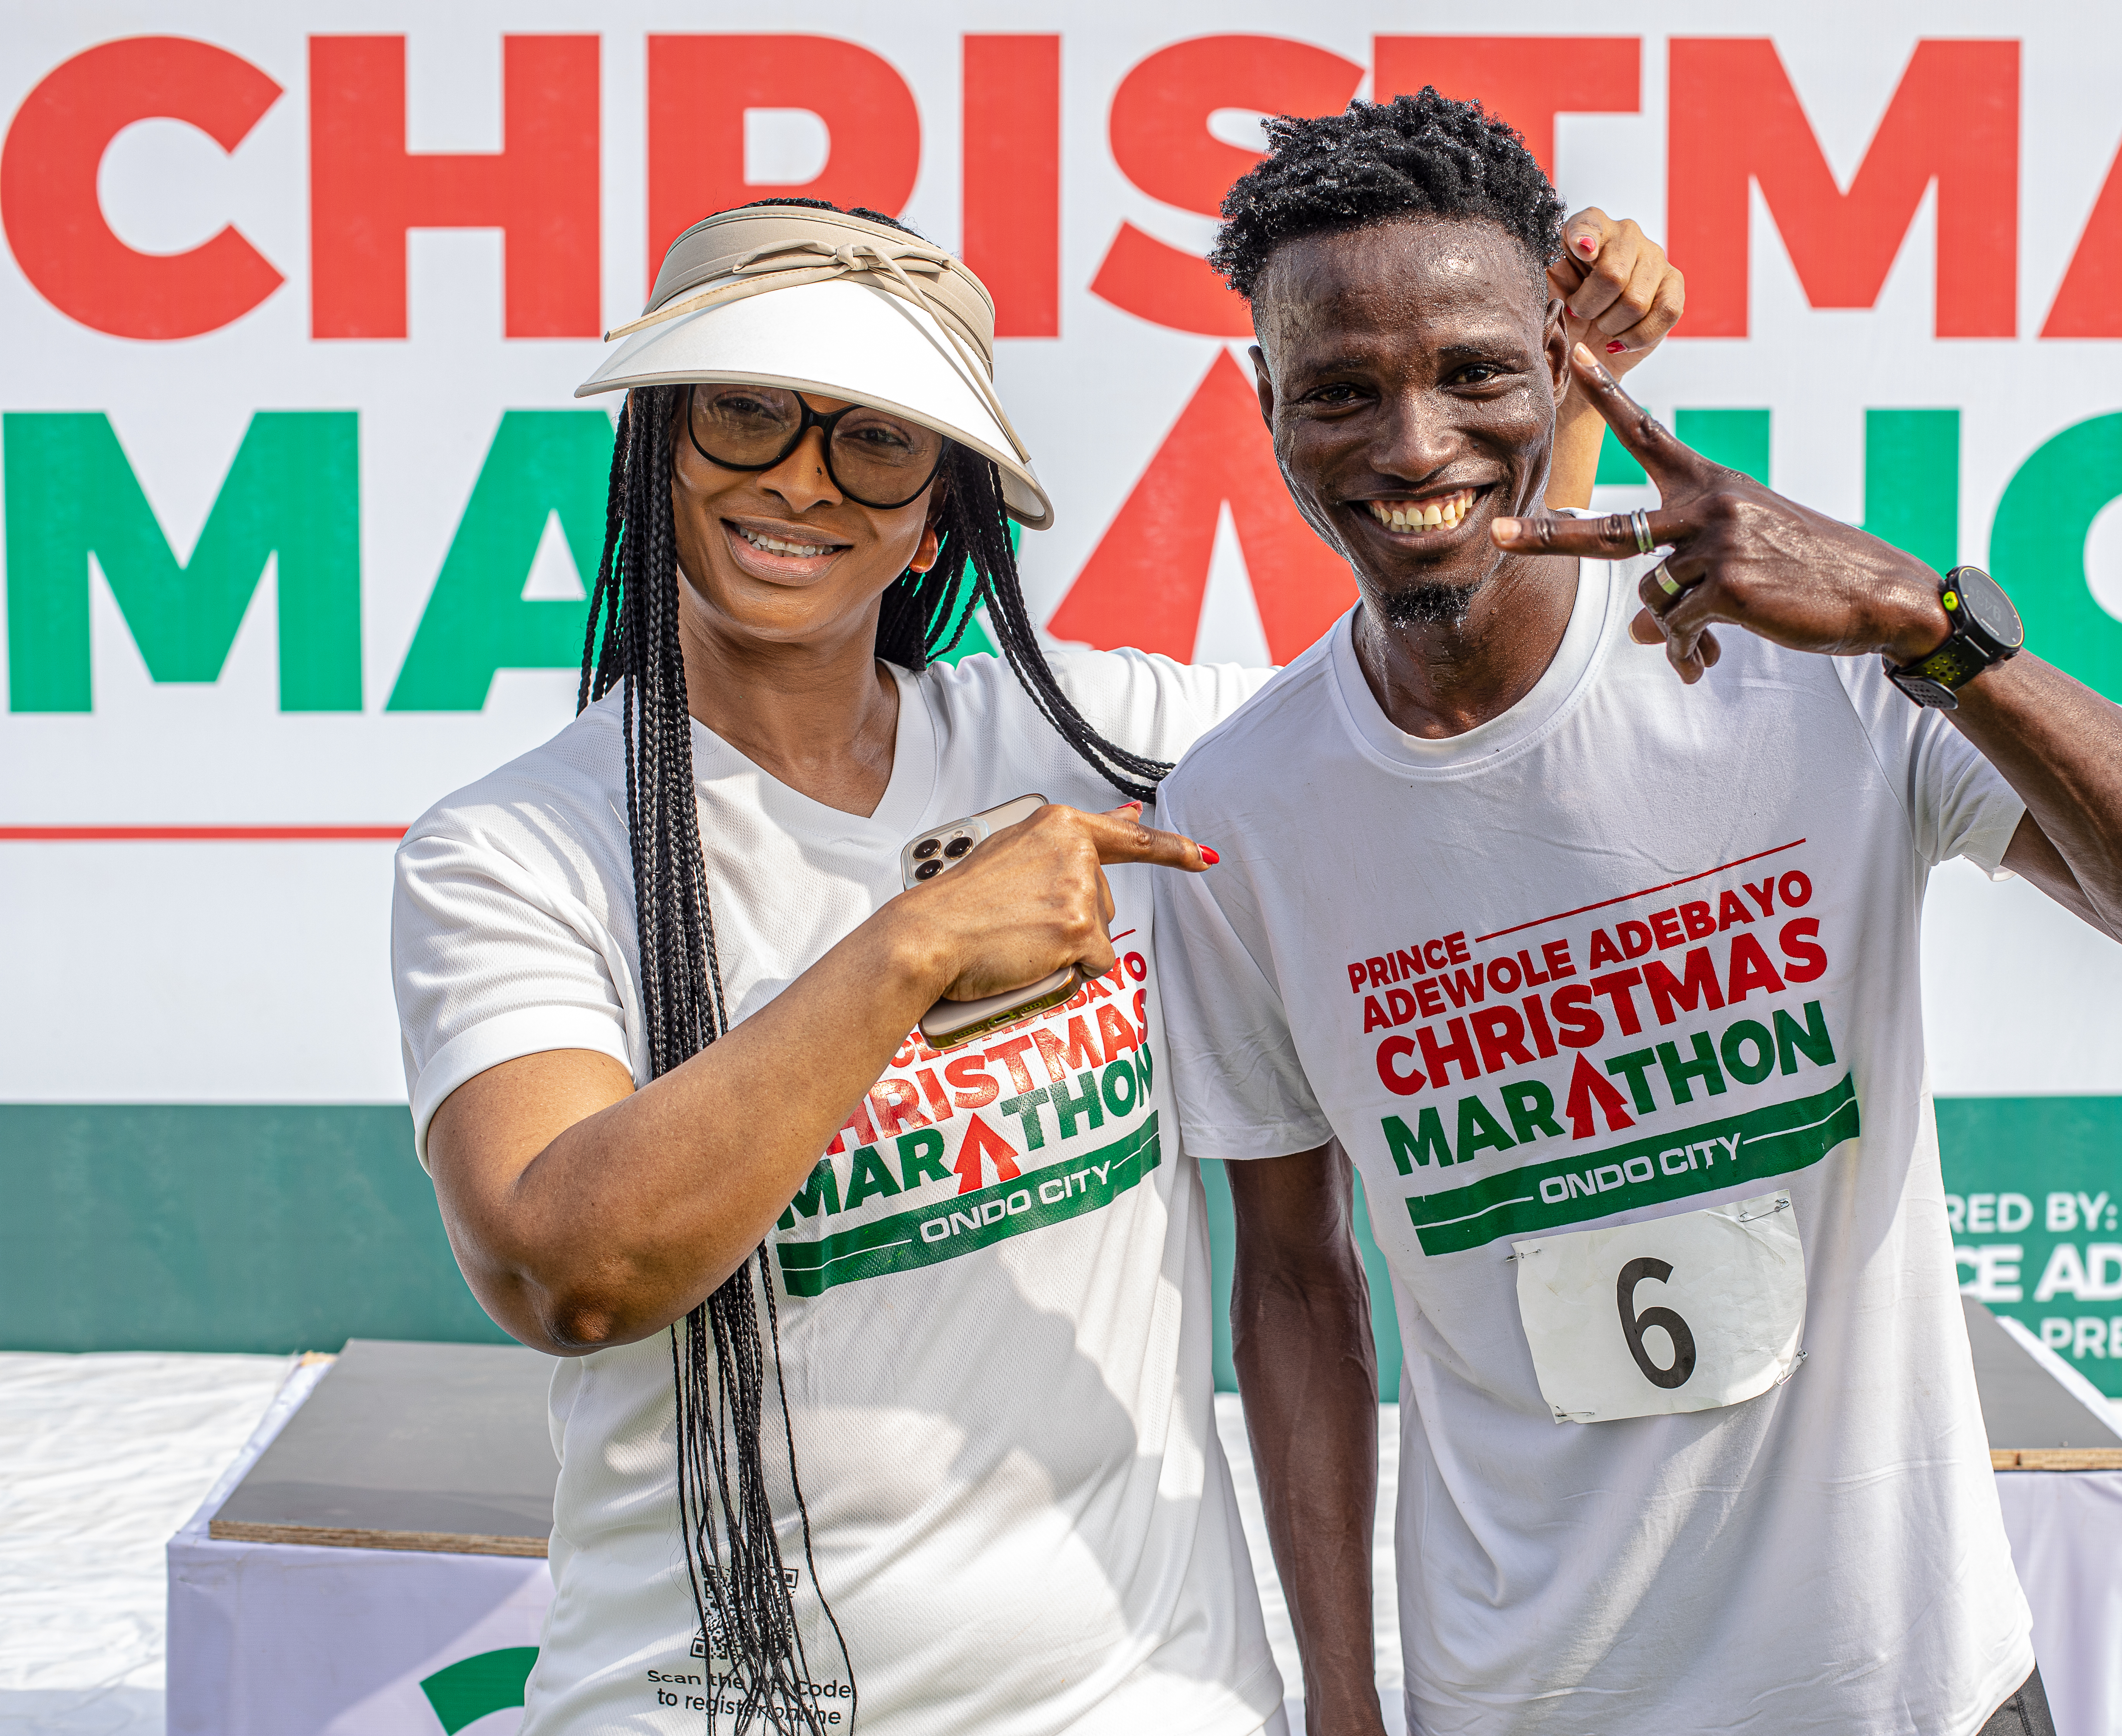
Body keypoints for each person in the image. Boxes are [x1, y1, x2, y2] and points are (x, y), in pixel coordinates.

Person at [392, 192, 1681, 1734]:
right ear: (655, 446)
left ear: (942, 506)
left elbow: (1443, 715)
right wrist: (914, 947)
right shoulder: (514, 848)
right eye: (743, 414)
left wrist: (1565, 385)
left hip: (1154, 1699)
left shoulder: (1106, 740)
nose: (800, 480)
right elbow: (573, 1273)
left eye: (876, 439)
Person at [1150, 91, 2122, 1736]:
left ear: (1562, 365)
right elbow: (1289, 1282)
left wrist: (1924, 623)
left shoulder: (1823, 666)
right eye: (1337, 389)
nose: (1409, 445)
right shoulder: (1236, 811)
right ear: (1265, 405)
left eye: (1473, 370)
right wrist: (1342, 1705)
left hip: (1912, 1690)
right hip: (1523, 1699)